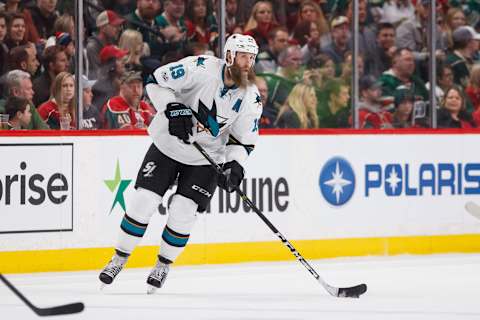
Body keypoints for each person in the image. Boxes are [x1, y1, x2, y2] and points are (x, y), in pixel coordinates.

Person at [98, 34, 262, 293]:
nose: (248, 64)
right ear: (229, 55)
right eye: (244, 56)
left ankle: (163, 264)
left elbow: (243, 141)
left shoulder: (250, 97)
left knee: (184, 212)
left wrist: (235, 165)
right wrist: (173, 107)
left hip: (206, 158)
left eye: (252, 58)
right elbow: (155, 82)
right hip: (168, 145)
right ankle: (119, 258)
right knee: (144, 201)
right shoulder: (201, 67)